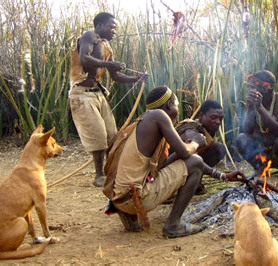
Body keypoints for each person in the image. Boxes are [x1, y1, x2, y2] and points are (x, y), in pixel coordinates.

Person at [103, 86, 245, 238]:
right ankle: (173, 225)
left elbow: (168, 162)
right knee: (195, 161)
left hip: (120, 198)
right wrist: (196, 143)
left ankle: (128, 213)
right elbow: (186, 152)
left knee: (193, 161)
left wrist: (222, 176)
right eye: (177, 104)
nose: (177, 108)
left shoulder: (145, 121)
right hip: (138, 197)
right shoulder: (159, 116)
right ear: (169, 104)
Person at [69, 12, 146, 187]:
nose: (114, 31)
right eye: (111, 27)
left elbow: (116, 76)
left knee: (112, 135)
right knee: (98, 135)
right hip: (81, 94)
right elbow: (84, 58)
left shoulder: (106, 46)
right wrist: (109, 64)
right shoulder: (89, 36)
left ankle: (111, 170)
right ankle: (98, 175)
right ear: (100, 25)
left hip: (97, 94)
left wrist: (137, 79)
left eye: (115, 28)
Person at [236, 70, 278, 183]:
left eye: (253, 87)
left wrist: (260, 108)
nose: (250, 91)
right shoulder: (252, 101)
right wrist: (249, 107)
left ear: (266, 88)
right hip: (261, 150)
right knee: (241, 138)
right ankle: (260, 168)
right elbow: (247, 130)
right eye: (249, 87)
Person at [175, 100, 226, 194]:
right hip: (172, 170)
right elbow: (190, 153)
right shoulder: (190, 129)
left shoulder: (206, 130)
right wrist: (218, 174)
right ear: (201, 115)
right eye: (213, 117)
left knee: (219, 149)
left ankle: (195, 181)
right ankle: (185, 184)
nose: (218, 122)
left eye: (220, 118)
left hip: (187, 166)